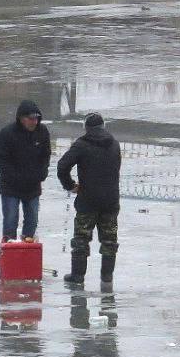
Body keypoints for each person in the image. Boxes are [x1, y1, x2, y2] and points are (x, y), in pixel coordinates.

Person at [58, 113, 122, 288]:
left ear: (86, 128)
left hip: (88, 201)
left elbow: (62, 166)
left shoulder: (81, 145)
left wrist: (70, 185)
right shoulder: (114, 144)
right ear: (103, 126)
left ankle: (77, 276)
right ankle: (107, 277)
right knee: (109, 240)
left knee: (81, 239)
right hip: (110, 201)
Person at [0, 100, 51, 242]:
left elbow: (46, 155)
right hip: (10, 188)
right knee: (10, 221)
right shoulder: (7, 133)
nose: (34, 122)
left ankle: (27, 251)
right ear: (21, 118)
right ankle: (9, 251)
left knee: (32, 221)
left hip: (32, 187)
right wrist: (15, 178)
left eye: (36, 119)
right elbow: (1, 161)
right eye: (31, 119)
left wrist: (42, 173)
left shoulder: (42, 132)